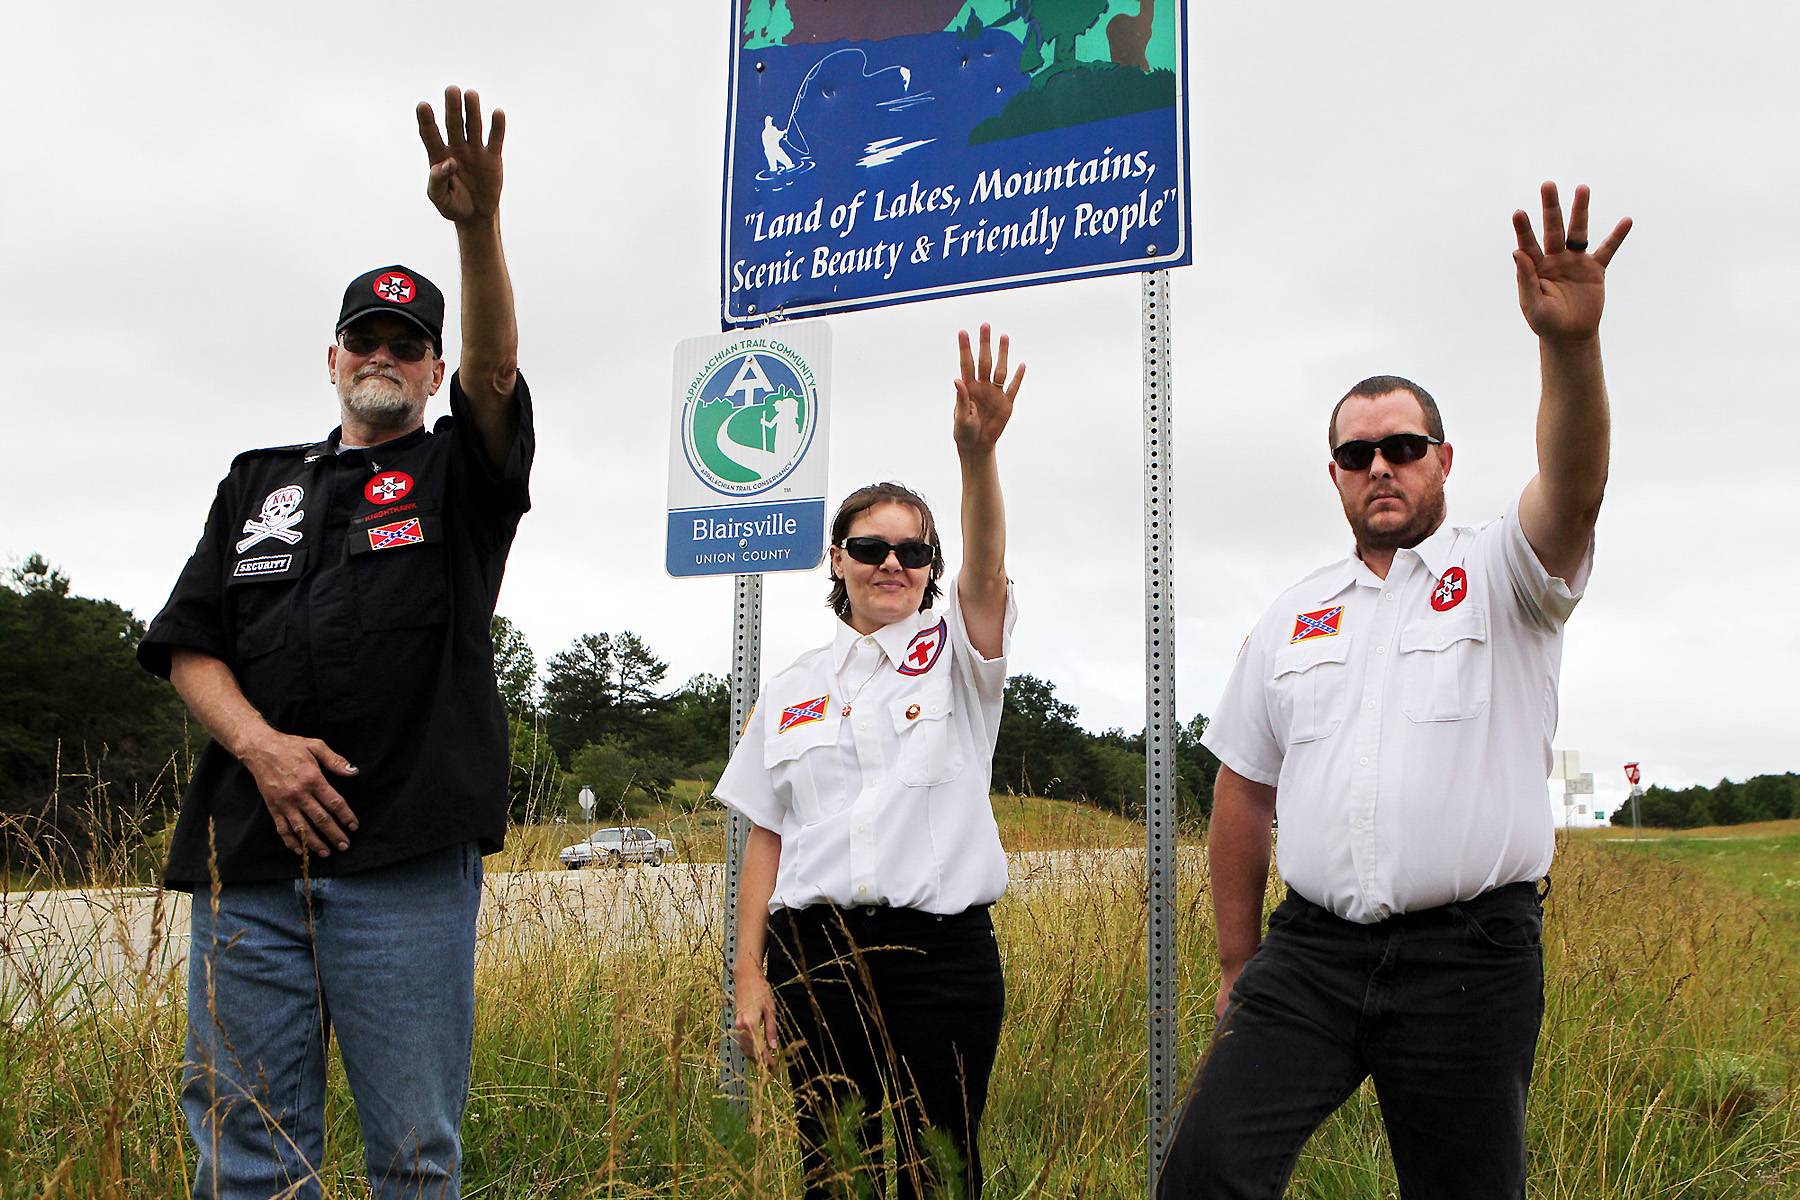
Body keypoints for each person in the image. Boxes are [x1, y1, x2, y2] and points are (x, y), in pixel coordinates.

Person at [1157, 182, 1632, 1199]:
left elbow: (1577, 486)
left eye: (1404, 448)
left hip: (1469, 956)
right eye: (1357, 453)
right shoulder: (1292, 617)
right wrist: (1240, 963)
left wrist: (1568, 348)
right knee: (1205, 1176)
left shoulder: (1506, 572)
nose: (1382, 466)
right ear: (1333, 475)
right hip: (1311, 954)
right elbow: (1243, 791)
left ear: (1443, 461)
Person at [136, 86, 529, 1200]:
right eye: (369, 337)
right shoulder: (257, 483)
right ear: (333, 356)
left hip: (403, 868)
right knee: (249, 1144)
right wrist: (261, 748)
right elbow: (190, 644)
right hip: (247, 869)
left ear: (429, 370)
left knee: (411, 1153)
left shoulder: (458, 475)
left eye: (412, 347)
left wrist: (478, 226)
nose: (388, 356)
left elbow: (497, 377)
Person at [717, 324, 1025, 1200]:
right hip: (814, 958)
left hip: (942, 962)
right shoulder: (792, 688)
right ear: (837, 559)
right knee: (835, 1174)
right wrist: (748, 976)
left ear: (932, 568)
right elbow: (766, 839)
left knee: (938, 1175)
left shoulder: (961, 654)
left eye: (913, 551)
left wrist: (977, 456)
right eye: (870, 547)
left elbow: (990, 571)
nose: (892, 563)